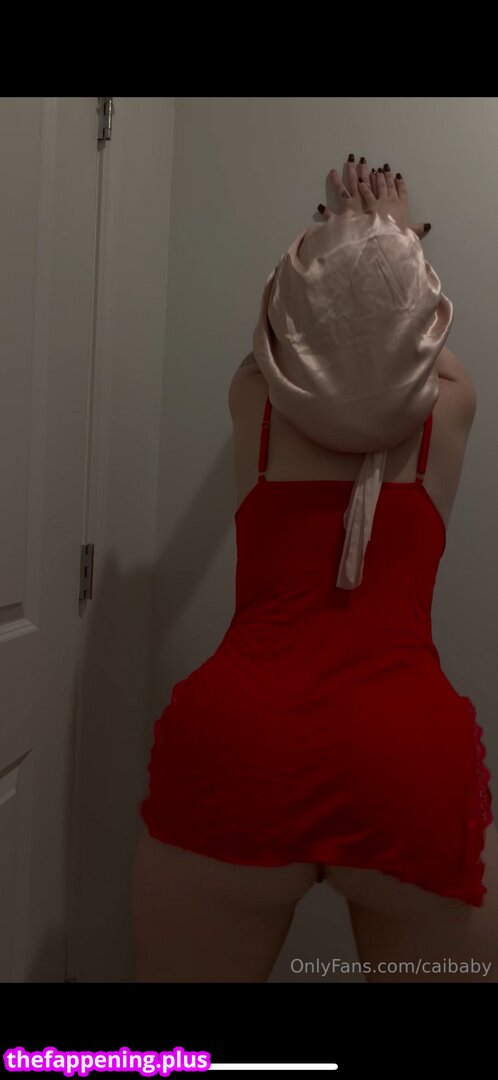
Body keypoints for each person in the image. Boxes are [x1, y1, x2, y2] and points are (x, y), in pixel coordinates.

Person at [133, 155, 495, 984]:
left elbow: (293, 330)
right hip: (404, 754)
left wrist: (340, 237)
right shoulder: (452, 403)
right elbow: (404, 338)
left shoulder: (254, 400)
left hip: (241, 741)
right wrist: (392, 236)